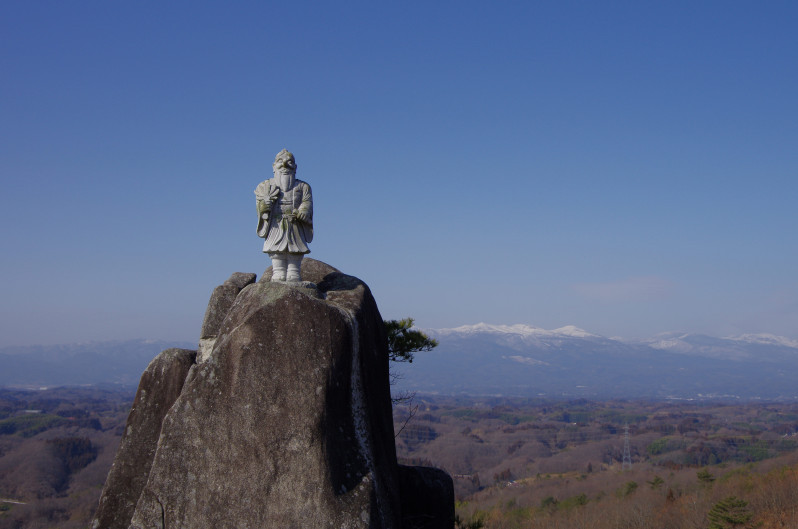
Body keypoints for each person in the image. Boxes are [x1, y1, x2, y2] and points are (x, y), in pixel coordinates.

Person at [254, 149, 313, 281]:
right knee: (276, 249)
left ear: (295, 167)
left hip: (295, 222)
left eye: (289, 162)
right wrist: (264, 207)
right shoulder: (266, 185)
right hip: (276, 222)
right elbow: (260, 204)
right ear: (274, 167)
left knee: (295, 249)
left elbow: (307, 202)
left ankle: (294, 272)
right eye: (280, 162)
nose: (285, 166)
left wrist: (302, 212)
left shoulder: (303, 187)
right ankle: (278, 272)